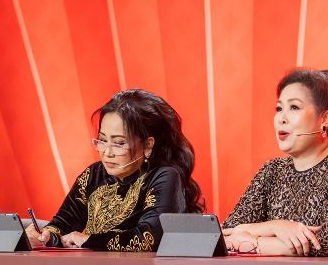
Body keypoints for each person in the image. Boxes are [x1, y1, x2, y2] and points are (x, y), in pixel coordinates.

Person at [222, 68, 328, 257]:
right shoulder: (272, 170)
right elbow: (225, 234)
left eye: (294, 107)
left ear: (325, 119)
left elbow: (326, 245)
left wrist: (251, 244)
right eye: (279, 109)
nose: (282, 118)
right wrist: (276, 226)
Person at [25, 88, 204, 251]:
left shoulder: (164, 176)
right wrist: (46, 236)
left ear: (147, 145)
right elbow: (62, 225)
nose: (107, 153)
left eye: (119, 143)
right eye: (102, 140)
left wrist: (89, 240)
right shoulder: (93, 174)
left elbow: (149, 237)